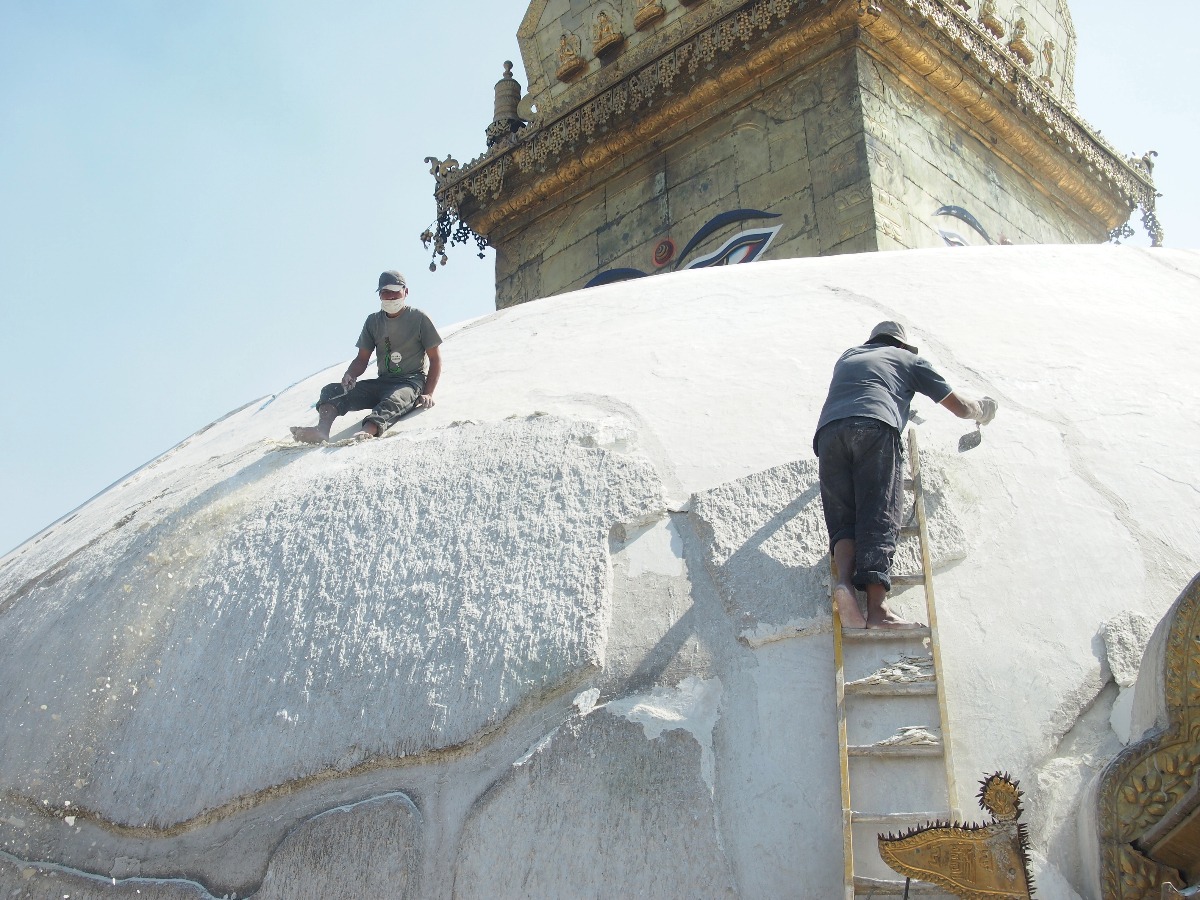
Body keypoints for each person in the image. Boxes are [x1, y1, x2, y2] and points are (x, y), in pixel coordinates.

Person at [813, 321, 996, 629]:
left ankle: (844, 582)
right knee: (878, 513)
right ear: (901, 345)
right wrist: (982, 410)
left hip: (829, 434)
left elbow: (868, 389)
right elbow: (960, 407)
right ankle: (878, 609)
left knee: (844, 520)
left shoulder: (847, 357)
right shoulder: (909, 360)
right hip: (875, 429)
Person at [291, 270, 442, 443]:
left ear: (405, 292)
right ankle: (321, 431)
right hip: (382, 382)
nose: (391, 296)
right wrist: (350, 375)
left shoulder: (419, 318)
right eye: (385, 292)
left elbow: (435, 359)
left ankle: (367, 430)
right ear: (379, 295)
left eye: (395, 291)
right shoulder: (373, 321)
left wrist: (428, 393)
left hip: (409, 382)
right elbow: (362, 359)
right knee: (331, 391)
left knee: (394, 400)